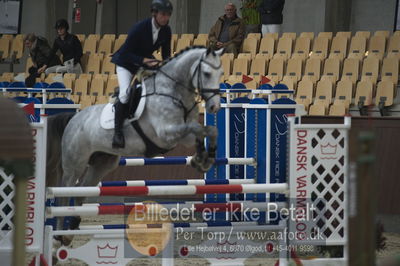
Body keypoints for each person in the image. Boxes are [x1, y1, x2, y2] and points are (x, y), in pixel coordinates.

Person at [110, 0, 173, 149]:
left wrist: (168, 66)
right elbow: (125, 53)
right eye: (163, 14)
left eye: (168, 15)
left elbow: (166, 54)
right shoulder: (139, 28)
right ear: (154, 13)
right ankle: (117, 133)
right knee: (125, 94)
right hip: (126, 63)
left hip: (144, 63)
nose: (166, 18)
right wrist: (144, 59)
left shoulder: (166, 30)